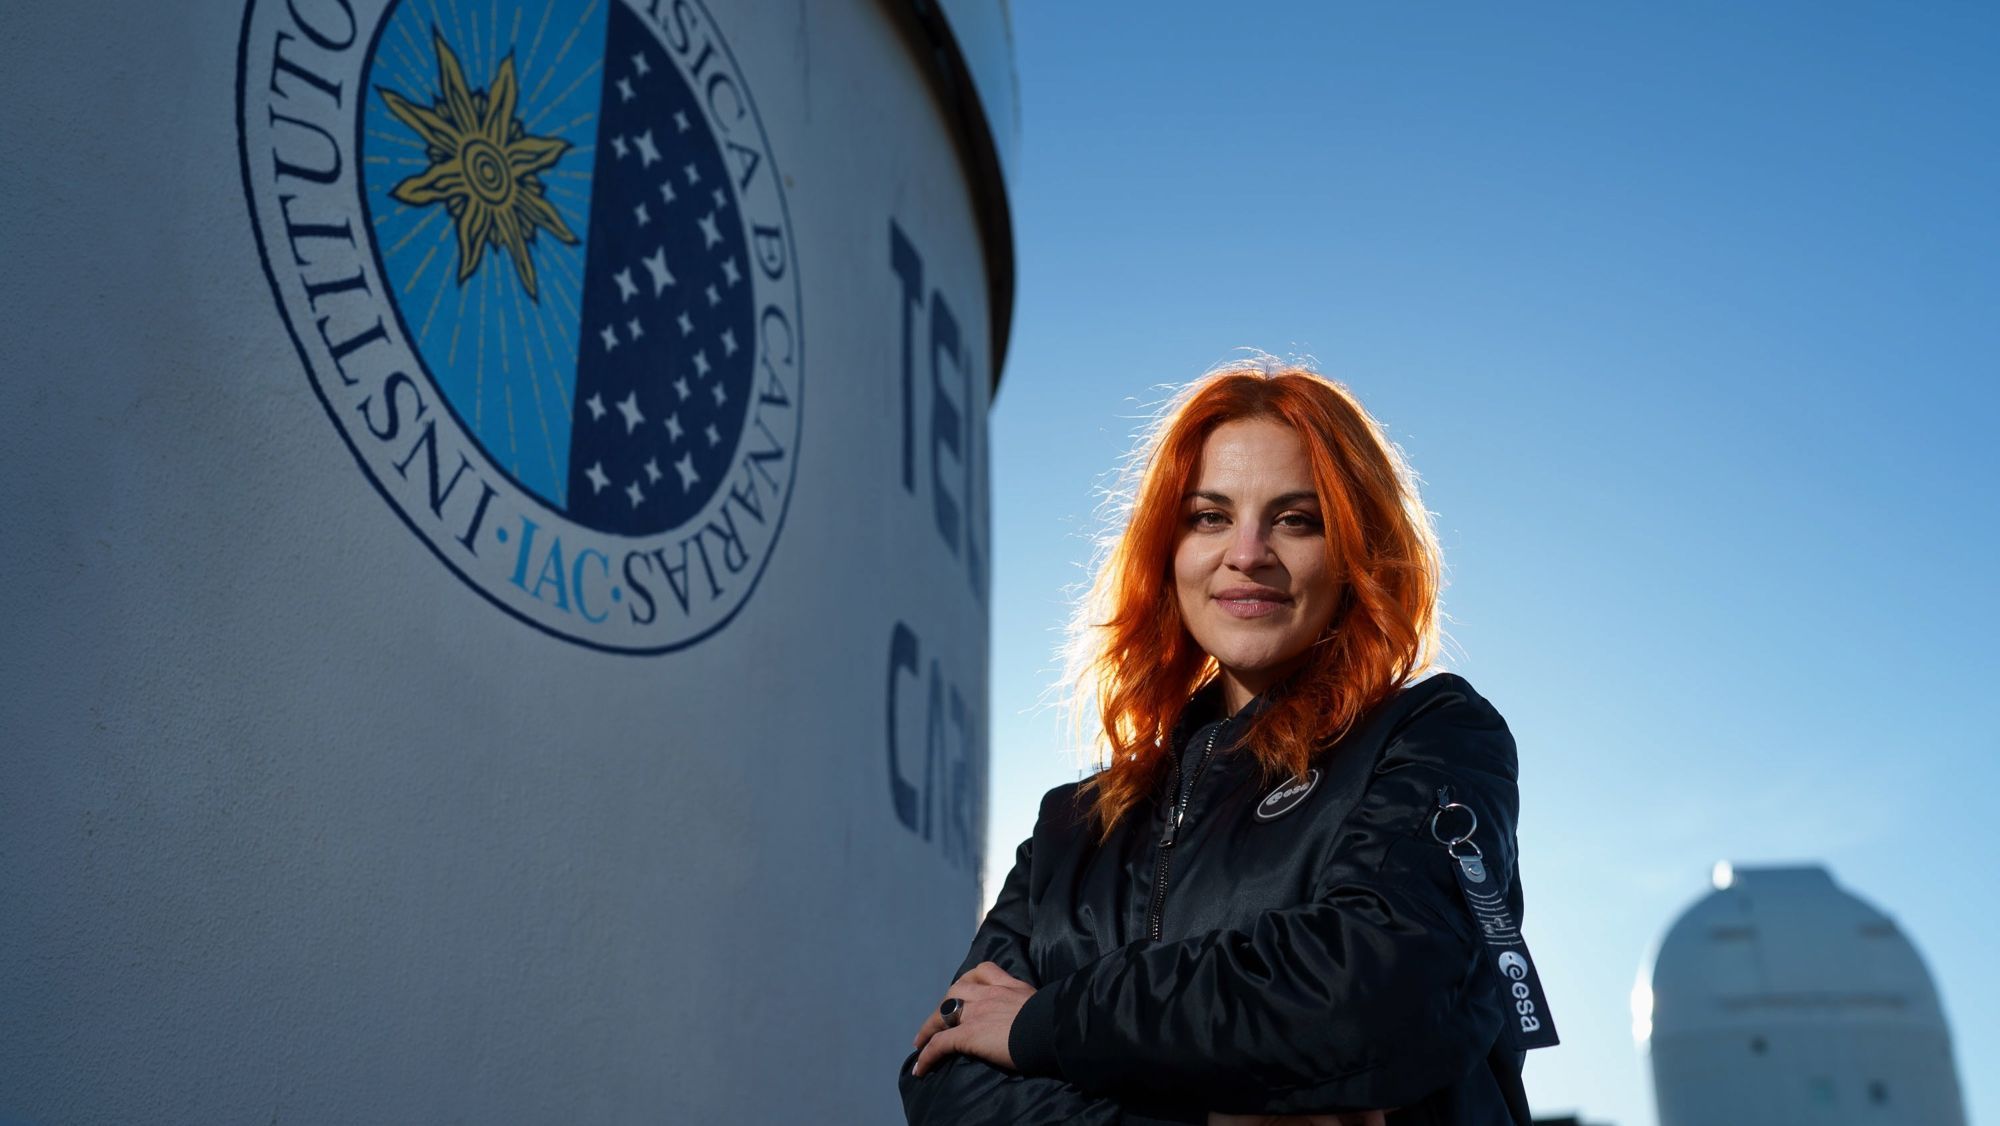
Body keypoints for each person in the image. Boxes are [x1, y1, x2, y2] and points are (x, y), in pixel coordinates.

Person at [897, 357, 1545, 1125]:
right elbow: (943, 1075)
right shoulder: (1072, 829)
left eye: (1297, 519)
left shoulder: (1432, 739)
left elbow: (1377, 986)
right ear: (1168, 553)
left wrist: (1046, 1025)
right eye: (1209, 517)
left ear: (1354, 554)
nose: (1247, 552)